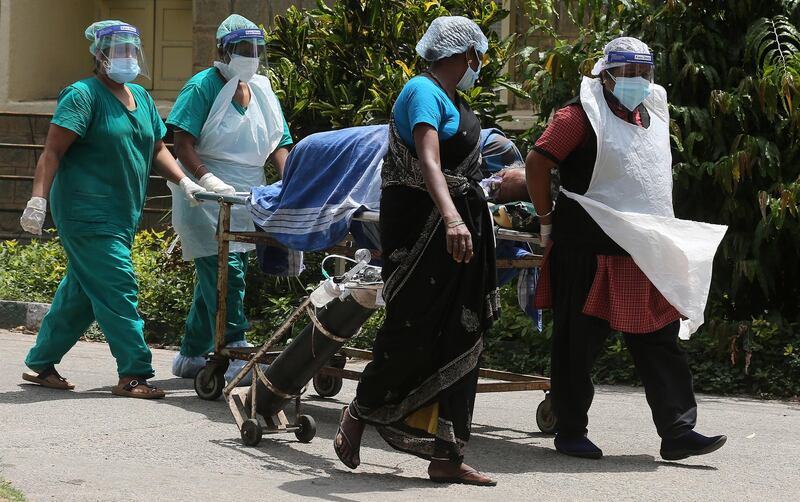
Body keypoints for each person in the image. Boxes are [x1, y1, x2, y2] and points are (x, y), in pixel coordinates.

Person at [526, 37, 728, 461]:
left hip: (643, 252)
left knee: (659, 340)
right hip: (588, 249)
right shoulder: (578, 117)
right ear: (606, 73)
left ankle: (677, 432)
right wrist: (546, 222)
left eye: (644, 73)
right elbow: (537, 162)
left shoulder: (650, 113)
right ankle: (570, 429)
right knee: (576, 344)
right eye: (628, 73)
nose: (637, 81)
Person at [333, 16, 499, 486]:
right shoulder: (422, 92)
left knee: (461, 333)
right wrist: (451, 217)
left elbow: (461, 165)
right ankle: (360, 411)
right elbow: (428, 161)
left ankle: (447, 454)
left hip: (460, 225)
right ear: (464, 54)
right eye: (477, 57)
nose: (479, 65)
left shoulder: (456, 100)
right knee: (412, 330)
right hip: (424, 227)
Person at [18, 20, 215, 398]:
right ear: (99, 54)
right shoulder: (82, 95)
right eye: (117, 49)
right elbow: (52, 151)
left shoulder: (140, 97)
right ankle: (134, 373)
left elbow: (157, 147)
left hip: (121, 212)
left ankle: (41, 362)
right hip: (85, 213)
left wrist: (185, 182)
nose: (126, 57)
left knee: (84, 291)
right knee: (119, 286)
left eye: (130, 49)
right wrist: (37, 199)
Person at [166, 14, 293, 383]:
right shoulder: (202, 86)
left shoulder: (263, 91)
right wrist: (206, 178)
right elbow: (182, 142)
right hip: (203, 196)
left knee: (215, 279)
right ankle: (237, 350)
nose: (250, 56)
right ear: (223, 51)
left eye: (255, 49)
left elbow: (280, 145)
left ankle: (190, 355)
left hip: (245, 197)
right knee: (225, 273)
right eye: (242, 49)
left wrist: (292, 184)